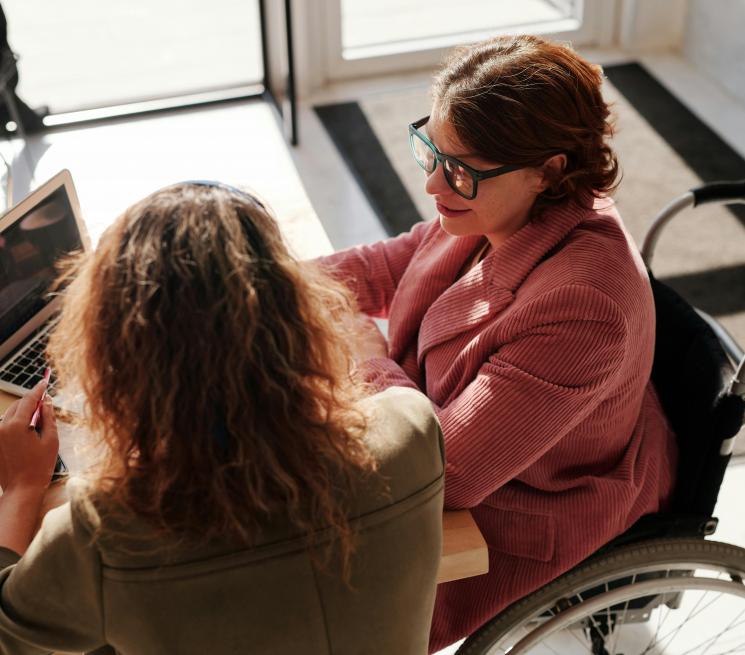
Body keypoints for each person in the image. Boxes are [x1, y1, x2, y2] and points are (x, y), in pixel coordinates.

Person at [318, 34, 678, 652]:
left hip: (517, 515)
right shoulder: (494, 203)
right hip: (456, 433)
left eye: (457, 169)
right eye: (429, 150)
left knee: (308, 585)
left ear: (550, 170)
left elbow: (446, 474)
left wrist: (366, 354)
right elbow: (388, 265)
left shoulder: (583, 306)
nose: (433, 186)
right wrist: (256, 280)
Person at [0, 182, 445, 654]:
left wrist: (22, 489)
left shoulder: (106, 531)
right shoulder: (412, 427)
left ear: (119, 356)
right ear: (300, 314)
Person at [0, 3, 46, 135]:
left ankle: (26, 119)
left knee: (6, 98)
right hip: (5, 75)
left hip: (5, 76)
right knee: (7, 99)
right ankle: (28, 120)